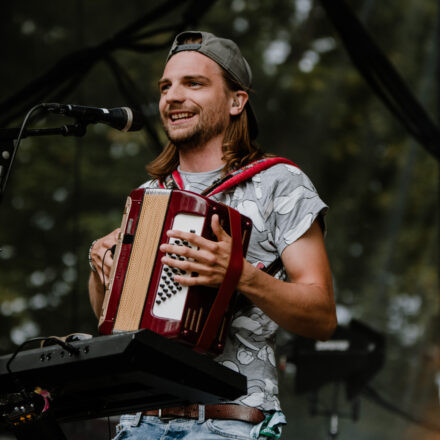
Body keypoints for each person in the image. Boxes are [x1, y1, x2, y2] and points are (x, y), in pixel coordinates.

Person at [88, 30, 337, 439]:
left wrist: (239, 274)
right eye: (166, 86)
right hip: (138, 422)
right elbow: (111, 319)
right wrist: (100, 267)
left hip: (229, 423)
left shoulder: (279, 183)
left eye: (194, 83)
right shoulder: (151, 196)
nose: (173, 96)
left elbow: (323, 316)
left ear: (237, 101)